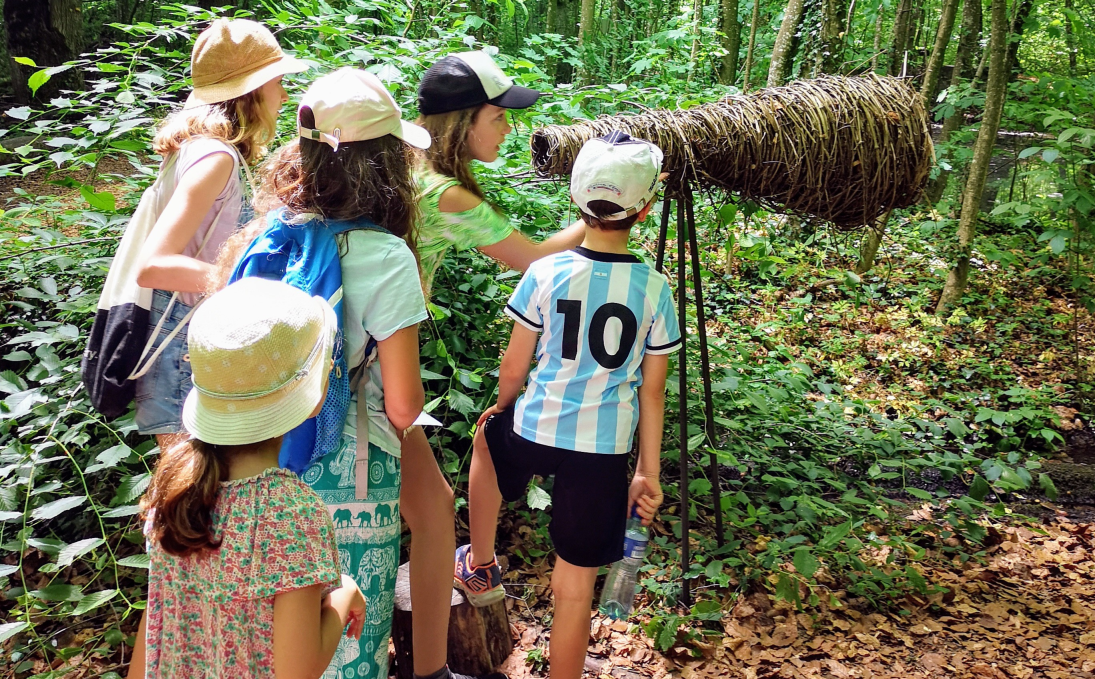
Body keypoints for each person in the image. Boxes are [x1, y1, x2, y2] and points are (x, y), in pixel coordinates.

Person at [218, 67, 443, 679]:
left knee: (274, 642)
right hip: (355, 476)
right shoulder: (386, 255)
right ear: (387, 165)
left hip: (259, 462)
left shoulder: (266, 236)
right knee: (347, 645)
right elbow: (402, 405)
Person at [454, 132, 680, 679]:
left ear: (577, 203)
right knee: (575, 584)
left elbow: (514, 365)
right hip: (601, 450)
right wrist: (646, 471)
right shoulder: (654, 288)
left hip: (535, 425)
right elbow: (653, 390)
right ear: (645, 210)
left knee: (487, 442)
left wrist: (502, 407)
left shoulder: (545, 271)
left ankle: (480, 564)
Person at [393, 50, 589, 679]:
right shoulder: (442, 192)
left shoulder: (407, 169)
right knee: (424, 509)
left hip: (368, 351)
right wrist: (604, 210)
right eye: (498, 115)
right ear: (464, 120)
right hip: (368, 359)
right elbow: (532, 258)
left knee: (429, 506)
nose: (508, 127)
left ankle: (426, 661)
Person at [127, 277, 366, 679]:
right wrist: (343, 595)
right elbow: (297, 671)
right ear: (311, 392)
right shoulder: (289, 512)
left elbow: (156, 625)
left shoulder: (175, 480)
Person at [134, 18, 305, 453]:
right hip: (184, 344)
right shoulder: (216, 158)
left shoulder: (198, 148)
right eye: (278, 83)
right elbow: (154, 266)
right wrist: (245, 283)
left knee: (188, 500)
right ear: (250, 92)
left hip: (193, 336)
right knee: (187, 498)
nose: (284, 96)